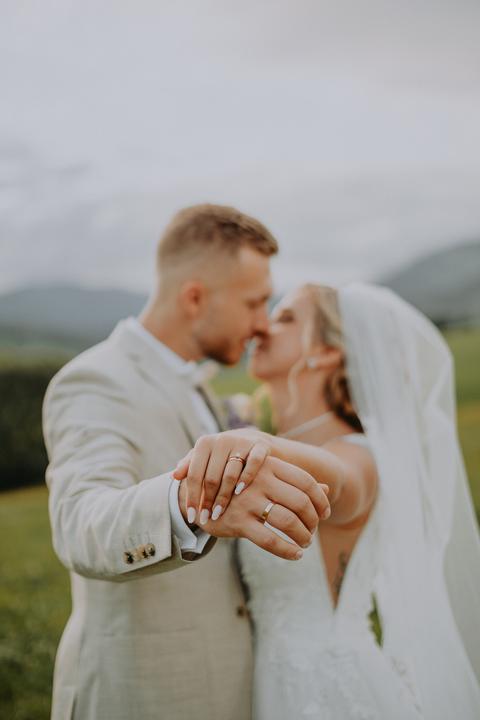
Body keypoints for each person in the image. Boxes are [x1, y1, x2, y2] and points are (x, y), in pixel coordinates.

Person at [42, 205, 330, 720]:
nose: (262, 323)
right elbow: (80, 522)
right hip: (142, 697)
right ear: (195, 297)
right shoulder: (96, 380)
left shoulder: (201, 387)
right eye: (253, 303)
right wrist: (193, 502)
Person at [178, 282, 480, 719]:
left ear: (326, 353)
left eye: (285, 318)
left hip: (327, 693)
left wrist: (254, 441)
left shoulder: (360, 457)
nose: (261, 328)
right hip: (260, 685)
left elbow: (337, 479)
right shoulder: (278, 446)